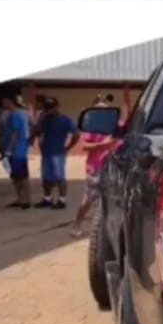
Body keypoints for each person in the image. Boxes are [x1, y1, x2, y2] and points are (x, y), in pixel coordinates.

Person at [71, 94, 116, 238]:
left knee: (110, 198)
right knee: (89, 198)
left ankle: (104, 228)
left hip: (111, 167)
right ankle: (77, 224)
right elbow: (84, 146)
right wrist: (103, 145)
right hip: (95, 167)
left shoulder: (114, 126)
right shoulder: (92, 128)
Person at [32, 97, 78, 209]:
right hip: (46, 152)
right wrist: (40, 118)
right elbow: (37, 131)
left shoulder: (65, 120)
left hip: (58, 152)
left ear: (57, 107)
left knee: (59, 177)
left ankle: (62, 200)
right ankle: (47, 198)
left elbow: (76, 134)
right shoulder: (45, 119)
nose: (49, 110)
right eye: (47, 108)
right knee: (46, 177)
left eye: (51, 108)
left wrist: (68, 147)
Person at [1, 95, 32, 210]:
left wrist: (10, 149)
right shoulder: (13, 115)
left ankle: (27, 200)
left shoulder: (16, 115)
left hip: (18, 150)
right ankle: (20, 199)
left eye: (4, 101)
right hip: (14, 149)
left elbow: (16, 134)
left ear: (10, 102)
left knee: (22, 176)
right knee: (15, 177)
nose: (3, 104)